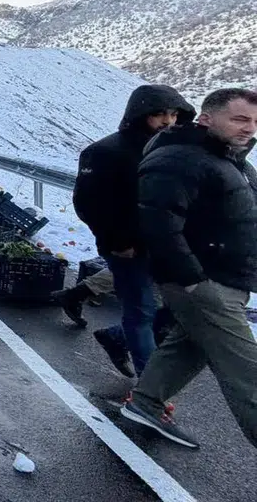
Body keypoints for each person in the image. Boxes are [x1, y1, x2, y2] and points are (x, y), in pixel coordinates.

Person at [119, 88, 257, 450]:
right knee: (248, 374)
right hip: (204, 281)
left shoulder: (232, 161)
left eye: (255, 122)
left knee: (188, 347)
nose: (249, 129)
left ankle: (146, 401)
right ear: (207, 118)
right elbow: (159, 225)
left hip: (227, 277)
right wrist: (194, 282)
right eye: (240, 119)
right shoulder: (181, 158)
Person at [63, 85, 194, 377]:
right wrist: (118, 241)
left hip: (171, 246)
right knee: (141, 310)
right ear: (139, 114)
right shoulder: (106, 151)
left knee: (187, 308)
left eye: (174, 114)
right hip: (129, 248)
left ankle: (117, 337)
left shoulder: (177, 152)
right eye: (159, 114)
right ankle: (148, 391)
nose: (168, 121)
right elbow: (88, 202)